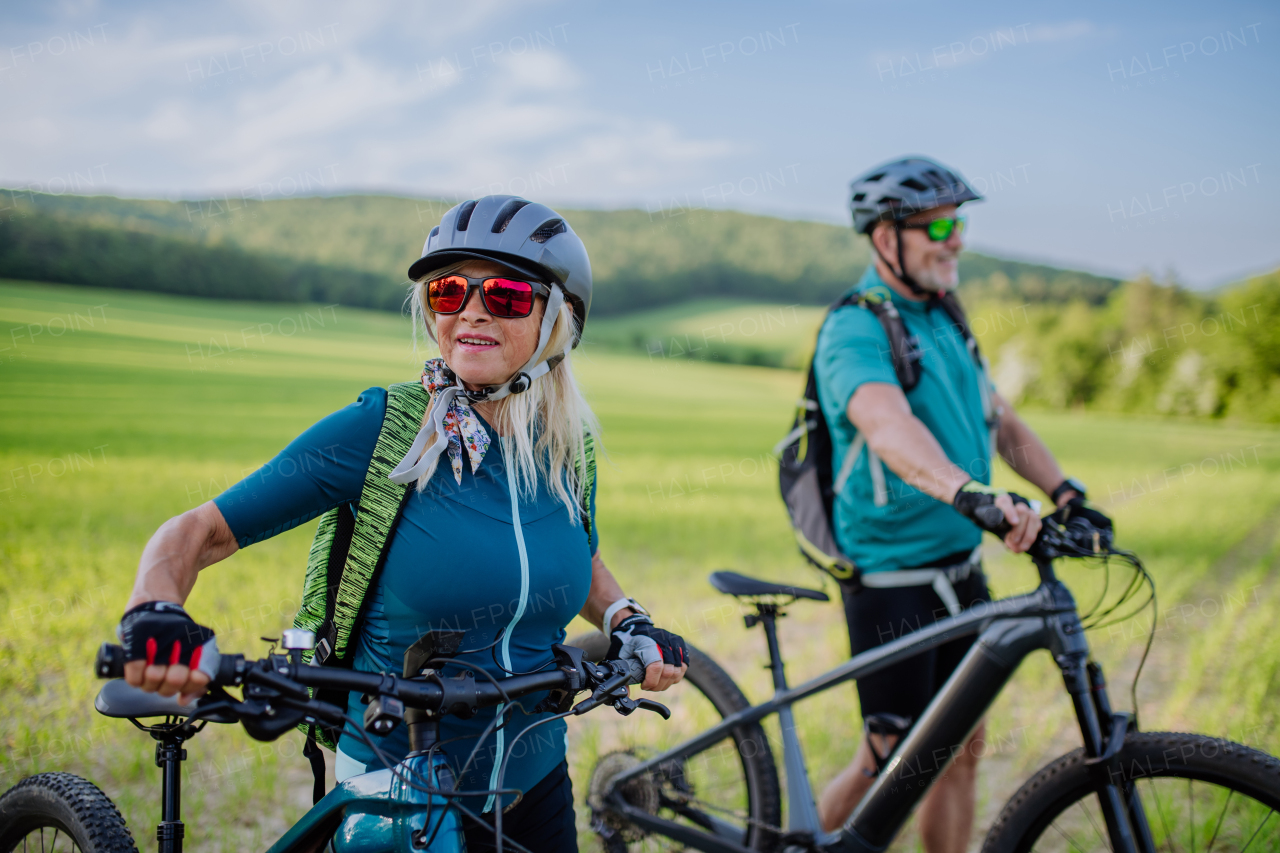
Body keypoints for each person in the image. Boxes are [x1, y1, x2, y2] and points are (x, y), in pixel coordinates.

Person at [116, 195, 689, 852]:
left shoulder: (565, 449)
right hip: (401, 787)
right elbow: (197, 530)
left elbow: (576, 554)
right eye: (448, 291)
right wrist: (151, 609)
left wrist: (626, 618)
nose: (471, 309)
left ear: (558, 321)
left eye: (503, 294)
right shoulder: (383, 429)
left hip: (535, 783)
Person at [812, 158, 1106, 852]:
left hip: (959, 565)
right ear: (886, 238)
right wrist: (971, 494)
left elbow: (999, 420)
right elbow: (887, 428)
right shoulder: (853, 329)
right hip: (892, 575)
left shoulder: (945, 316)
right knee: (891, 755)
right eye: (938, 225)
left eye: (960, 223)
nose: (956, 240)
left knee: (963, 743)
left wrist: (1066, 493)